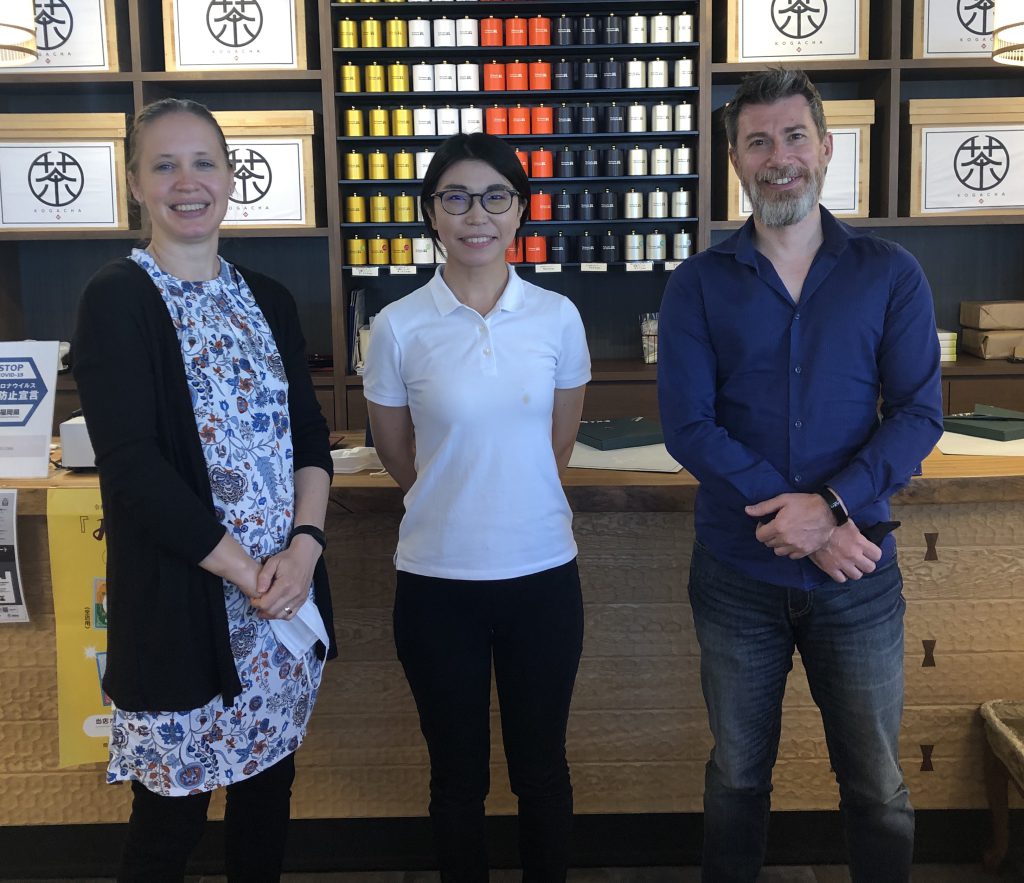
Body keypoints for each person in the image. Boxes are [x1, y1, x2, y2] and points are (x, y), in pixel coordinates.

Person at [657, 69, 944, 882]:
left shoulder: (890, 273)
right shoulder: (697, 285)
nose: (778, 157)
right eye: (757, 142)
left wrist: (827, 508)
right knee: (738, 777)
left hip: (858, 575)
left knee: (877, 784)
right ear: (736, 162)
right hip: (735, 577)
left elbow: (920, 412)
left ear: (824, 147)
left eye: (792, 137)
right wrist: (804, 522)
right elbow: (690, 428)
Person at [72, 97, 335, 881]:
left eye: (204, 163)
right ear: (134, 184)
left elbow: (310, 439)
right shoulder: (117, 298)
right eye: (165, 164)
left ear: (230, 177)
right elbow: (134, 470)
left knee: (267, 798)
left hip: (279, 611)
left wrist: (305, 547)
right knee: (169, 822)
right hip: (184, 609)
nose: (188, 182)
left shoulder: (269, 298)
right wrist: (247, 571)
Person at [362, 132, 591, 881]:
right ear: (431, 213)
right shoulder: (397, 325)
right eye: (455, 198)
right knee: (456, 780)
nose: (476, 215)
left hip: (541, 577)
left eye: (495, 196)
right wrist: (451, 497)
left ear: (520, 209)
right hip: (436, 583)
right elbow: (399, 453)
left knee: (542, 773)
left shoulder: (558, 317)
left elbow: (557, 446)